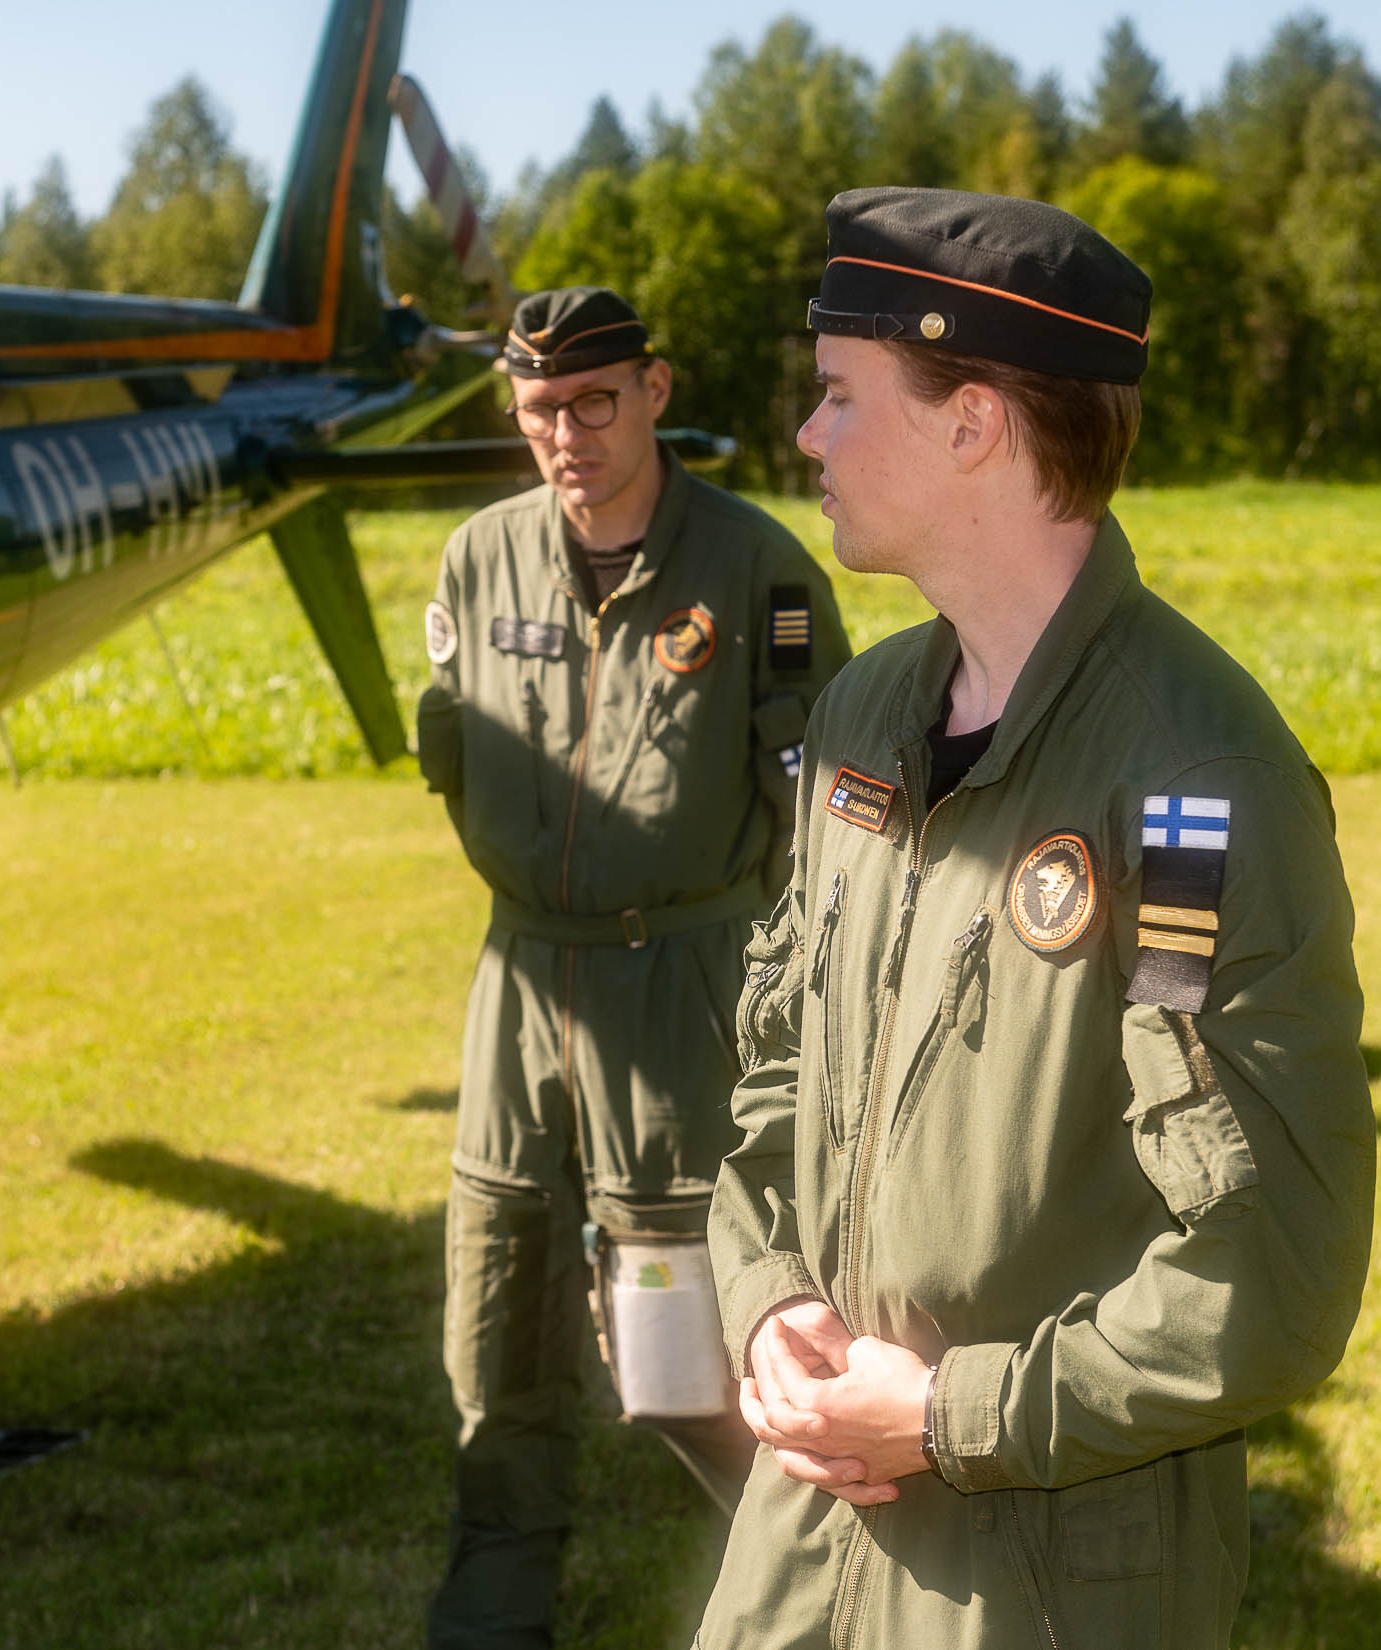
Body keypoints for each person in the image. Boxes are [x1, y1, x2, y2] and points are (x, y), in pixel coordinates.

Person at [696, 189, 1376, 1649]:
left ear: (973, 425)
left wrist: (955, 1413)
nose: (807, 435)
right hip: (804, 1542)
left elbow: (1274, 1266)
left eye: (838, 395)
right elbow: (778, 1069)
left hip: (1045, 1578)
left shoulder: (1190, 787)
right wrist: (766, 1300)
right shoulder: (863, 718)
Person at [413, 285, 850, 1650]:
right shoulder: (478, 561)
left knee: (690, 1358)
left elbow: (819, 814)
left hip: (680, 1001)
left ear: (655, 390)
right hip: (520, 992)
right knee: (498, 1327)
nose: (568, 434)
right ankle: (493, 1612)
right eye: (539, 409)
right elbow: (454, 754)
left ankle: (815, 1602)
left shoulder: (757, 570)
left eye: (595, 401)